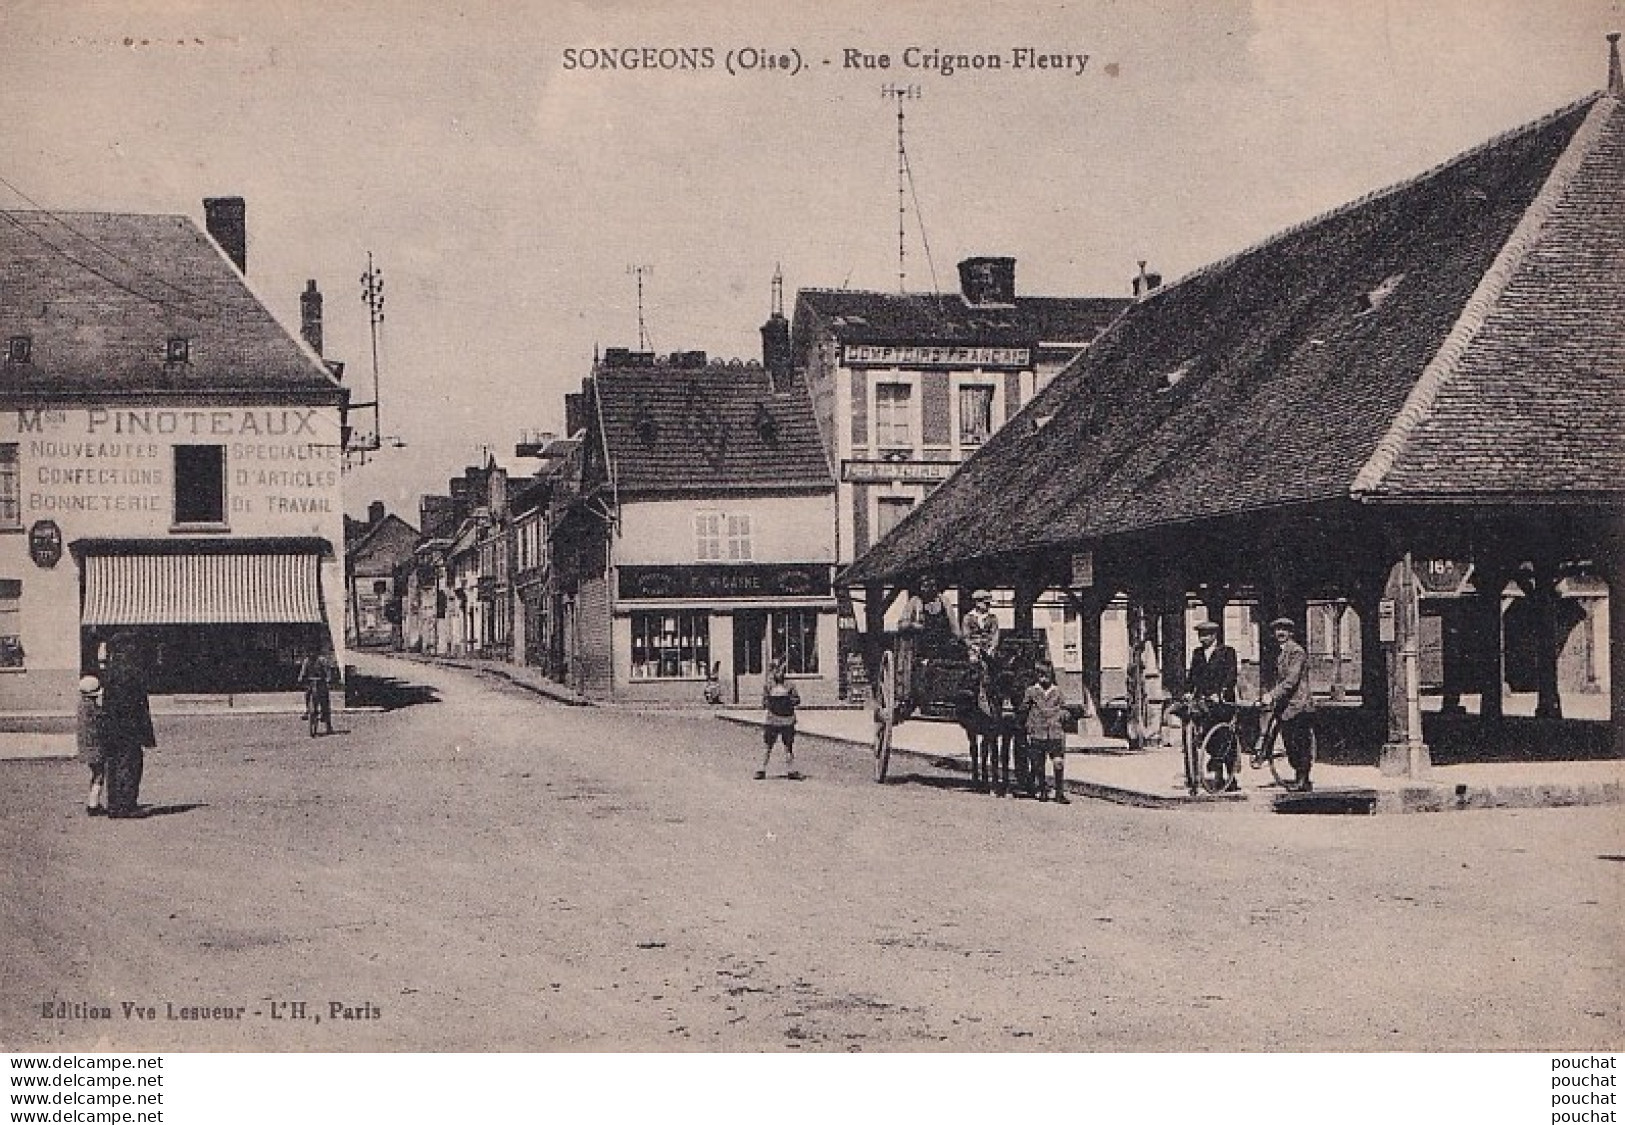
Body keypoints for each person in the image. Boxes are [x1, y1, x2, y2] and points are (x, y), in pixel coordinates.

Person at [100, 635, 156, 819]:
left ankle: (114, 805)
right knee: (130, 764)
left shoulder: (110, 671)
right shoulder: (131, 671)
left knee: (113, 765)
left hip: (111, 727)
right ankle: (127, 805)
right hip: (128, 728)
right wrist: (145, 733)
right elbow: (138, 705)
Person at [1262, 617, 1315, 791]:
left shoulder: (1296, 652)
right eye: (1277, 630)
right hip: (1287, 706)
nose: (1280, 633)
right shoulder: (1281, 652)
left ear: (1291, 633)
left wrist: (1273, 694)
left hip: (1299, 704)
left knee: (1299, 743)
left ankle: (1303, 779)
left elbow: (1292, 680)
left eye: (1284, 630)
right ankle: (1300, 777)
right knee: (1290, 743)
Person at [896, 574, 960, 713]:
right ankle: (919, 697)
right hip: (921, 645)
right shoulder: (915, 602)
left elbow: (953, 624)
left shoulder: (944, 602)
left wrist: (957, 639)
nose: (926, 589)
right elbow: (901, 624)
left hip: (942, 643)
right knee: (922, 668)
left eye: (930, 586)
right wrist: (913, 625)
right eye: (924, 586)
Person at [1019, 662, 1070, 803]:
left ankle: (1059, 793)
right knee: (1038, 764)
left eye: (1046, 674)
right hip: (1038, 732)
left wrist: (1063, 715)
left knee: (1058, 762)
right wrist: (1028, 726)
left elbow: (1065, 708)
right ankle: (1042, 790)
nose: (1043, 678)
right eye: (1040, 674)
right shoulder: (1031, 691)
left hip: (1055, 732)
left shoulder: (1057, 692)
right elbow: (1024, 710)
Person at [757, 664, 801, 780]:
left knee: (788, 746)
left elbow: (796, 700)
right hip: (774, 720)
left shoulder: (790, 686)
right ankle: (761, 769)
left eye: (780, 670)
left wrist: (785, 701)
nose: (778, 673)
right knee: (768, 745)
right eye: (776, 670)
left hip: (786, 720)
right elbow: (764, 702)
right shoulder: (769, 686)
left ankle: (791, 770)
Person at [76, 675, 107, 817]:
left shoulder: (81, 706)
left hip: (86, 746)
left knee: (95, 774)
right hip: (96, 746)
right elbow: (101, 724)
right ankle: (93, 804)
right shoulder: (93, 709)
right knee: (100, 775)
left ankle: (93, 801)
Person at [298, 648, 336, 736]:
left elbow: (328, 671)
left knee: (325, 703)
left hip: (321, 683)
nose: (311, 654)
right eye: (309, 652)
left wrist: (328, 678)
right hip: (311, 683)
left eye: (312, 651)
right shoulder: (307, 661)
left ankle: (328, 724)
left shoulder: (322, 660)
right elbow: (303, 672)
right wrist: (301, 678)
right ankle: (308, 710)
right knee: (307, 694)